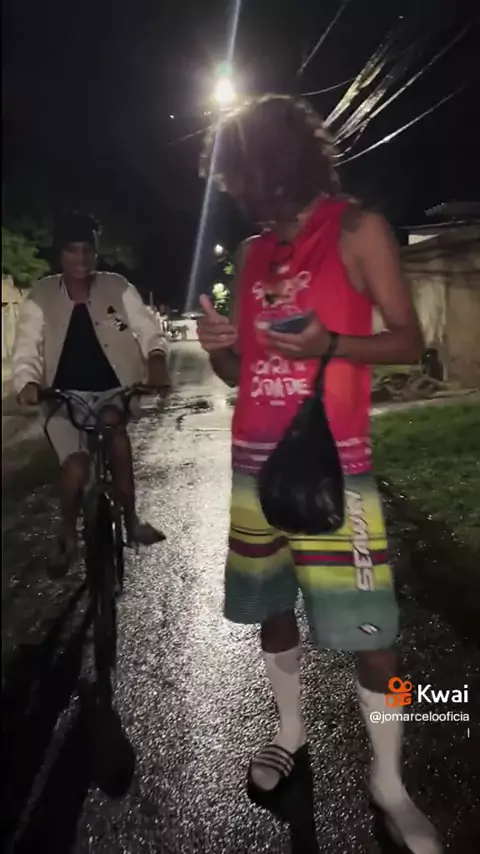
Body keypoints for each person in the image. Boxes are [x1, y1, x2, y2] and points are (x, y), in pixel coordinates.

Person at [197, 96, 440, 854]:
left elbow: (408, 342)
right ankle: (290, 732)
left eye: (241, 175)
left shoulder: (357, 229)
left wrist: (330, 343)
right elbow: (238, 370)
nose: (238, 192)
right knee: (273, 608)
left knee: (376, 635)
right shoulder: (252, 252)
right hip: (254, 467)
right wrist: (216, 344)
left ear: (277, 163)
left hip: (337, 469)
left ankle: (390, 783)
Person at [13, 212, 171, 575]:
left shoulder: (116, 289)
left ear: (96, 253)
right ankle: (68, 535)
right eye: (72, 250)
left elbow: (146, 329)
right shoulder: (41, 296)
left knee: (117, 438)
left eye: (87, 250)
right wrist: (27, 383)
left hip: (114, 392)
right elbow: (27, 349)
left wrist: (156, 359)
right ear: (60, 254)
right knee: (76, 466)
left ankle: (131, 521)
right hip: (63, 398)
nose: (81, 258)